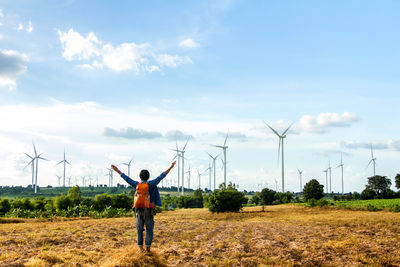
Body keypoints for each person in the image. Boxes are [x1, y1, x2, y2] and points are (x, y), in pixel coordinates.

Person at [111, 161, 176, 252]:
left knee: (139, 230)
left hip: (138, 210)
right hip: (148, 210)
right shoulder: (151, 184)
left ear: (140, 177)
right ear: (148, 177)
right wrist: (171, 167)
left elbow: (126, 178)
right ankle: (148, 248)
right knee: (149, 230)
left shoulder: (136, 184)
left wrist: (117, 170)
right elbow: (161, 176)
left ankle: (140, 249)